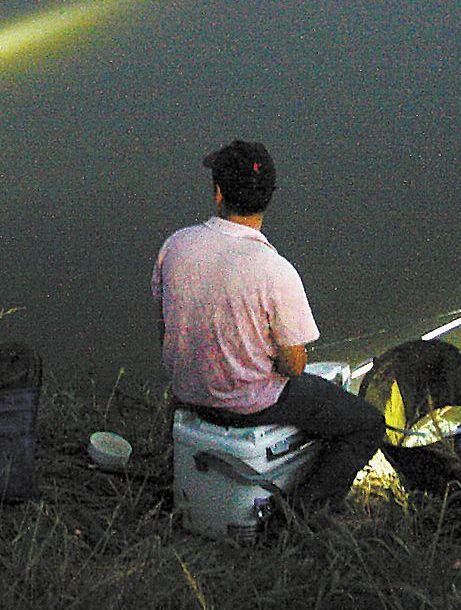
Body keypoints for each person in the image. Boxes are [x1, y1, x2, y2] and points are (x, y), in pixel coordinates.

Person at [153, 140, 385, 513]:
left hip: (187, 392)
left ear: (218, 194)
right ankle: (301, 515)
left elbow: (166, 328)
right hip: (250, 405)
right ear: (269, 198)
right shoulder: (275, 270)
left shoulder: (176, 246)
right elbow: (293, 365)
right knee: (367, 424)